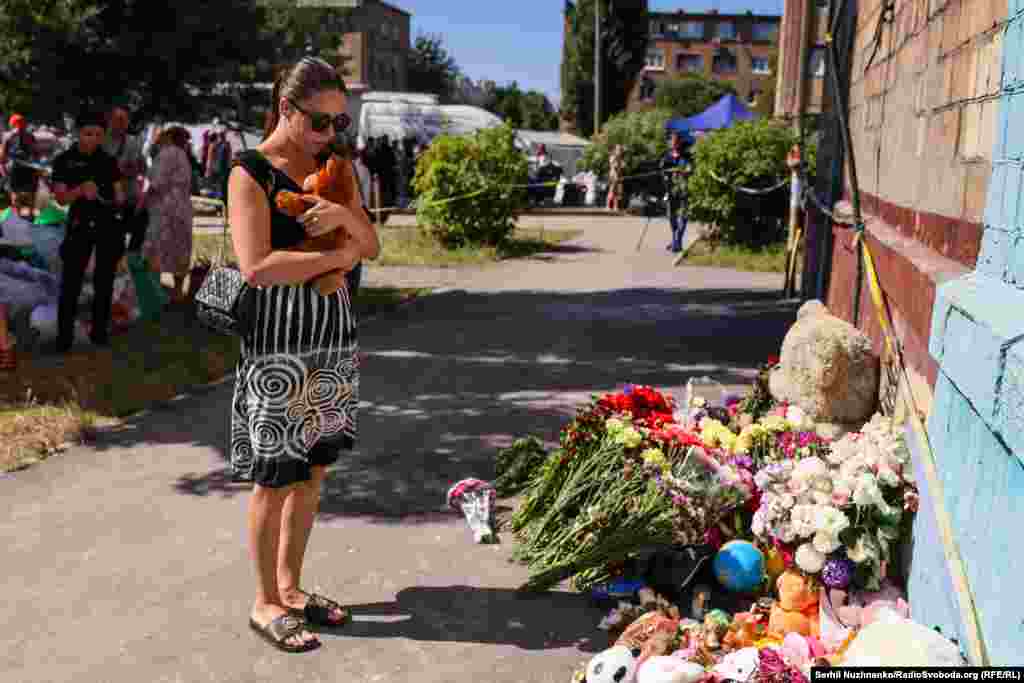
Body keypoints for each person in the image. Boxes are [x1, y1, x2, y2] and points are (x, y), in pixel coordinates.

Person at [227, 56, 380, 654]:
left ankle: (291, 588)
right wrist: (334, 260)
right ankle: (264, 601)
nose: (329, 135)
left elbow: (371, 243)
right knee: (275, 477)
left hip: (332, 339)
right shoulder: (250, 173)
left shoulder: (335, 170)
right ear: (287, 109)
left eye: (338, 124)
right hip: (277, 347)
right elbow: (258, 266)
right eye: (320, 122)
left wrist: (344, 219)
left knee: (313, 470)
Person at [50, 109, 128, 351]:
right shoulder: (64, 160)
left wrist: (108, 195)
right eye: (87, 134)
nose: (92, 139)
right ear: (77, 133)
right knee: (71, 283)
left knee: (104, 282)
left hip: (107, 227)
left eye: (97, 134)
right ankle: (64, 339)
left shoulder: (108, 160)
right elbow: (61, 198)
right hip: (79, 225)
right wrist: (80, 191)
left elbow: (120, 197)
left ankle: (99, 333)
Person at [142, 126, 194, 304]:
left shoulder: (167, 154)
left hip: (165, 207)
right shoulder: (182, 154)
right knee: (180, 248)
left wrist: (143, 200)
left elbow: (158, 182)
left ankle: (155, 290)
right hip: (182, 206)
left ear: (168, 137)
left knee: (158, 246)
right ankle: (178, 291)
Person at [661, 131, 692, 253]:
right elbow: (662, 171)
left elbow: (690, 169)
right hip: (670, 189)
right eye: (671, 141)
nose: (673, 143)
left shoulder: (687, 156)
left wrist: (683, 171)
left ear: (679, 142)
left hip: (684, 188)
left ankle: (678, 239)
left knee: (683, 215)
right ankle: (675, 238)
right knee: (671, 215)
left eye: (675, 141)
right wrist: (666, 173)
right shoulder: (667, 156)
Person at [1, 114, 38, 186]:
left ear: (12, 124)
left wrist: (2, 167)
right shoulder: (30, 135)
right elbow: (35, 152)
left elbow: (3, 155)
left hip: (13, 165)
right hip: (28, 164)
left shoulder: (8, 135)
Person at [606, 144, 625, 212]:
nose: (620, 151)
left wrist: (620, 176)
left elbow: (622, 167)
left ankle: (615, 206)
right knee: (612, 191)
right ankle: (608, 206)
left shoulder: (620, 158)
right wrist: (616, 176)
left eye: (620, 150)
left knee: (617, 192)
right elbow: (614, 167)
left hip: (618, 176)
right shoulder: (613, 157)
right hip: (613, 176)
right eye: (618, 150)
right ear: (615, 150)